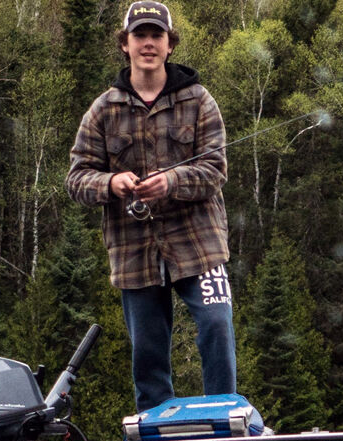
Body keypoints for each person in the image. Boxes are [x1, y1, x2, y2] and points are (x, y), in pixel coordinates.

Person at [67, 1, 235, 413]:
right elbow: (76, 179)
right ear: (125, 44)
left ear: (169, 45)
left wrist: (172, 182)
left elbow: (215, 169)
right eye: (139, 35)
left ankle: (224, 417)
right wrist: (111, 183)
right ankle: (155, 435)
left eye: (156, 36)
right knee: (148, 351)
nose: (148, 43)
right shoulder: (102, 109)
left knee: (217, 327)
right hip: (133, 251)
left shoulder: (200, 101)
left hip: (201, 244)